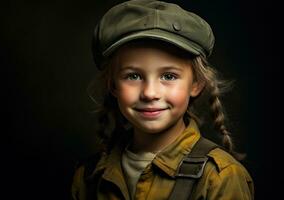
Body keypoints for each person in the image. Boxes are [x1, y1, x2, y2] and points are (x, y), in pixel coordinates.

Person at [71, 0, 254, 199]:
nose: (150, 93)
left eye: (169, 76)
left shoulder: (221, 178)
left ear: (196, 84)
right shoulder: (89, 176)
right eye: (133, 76)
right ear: (113, 84)